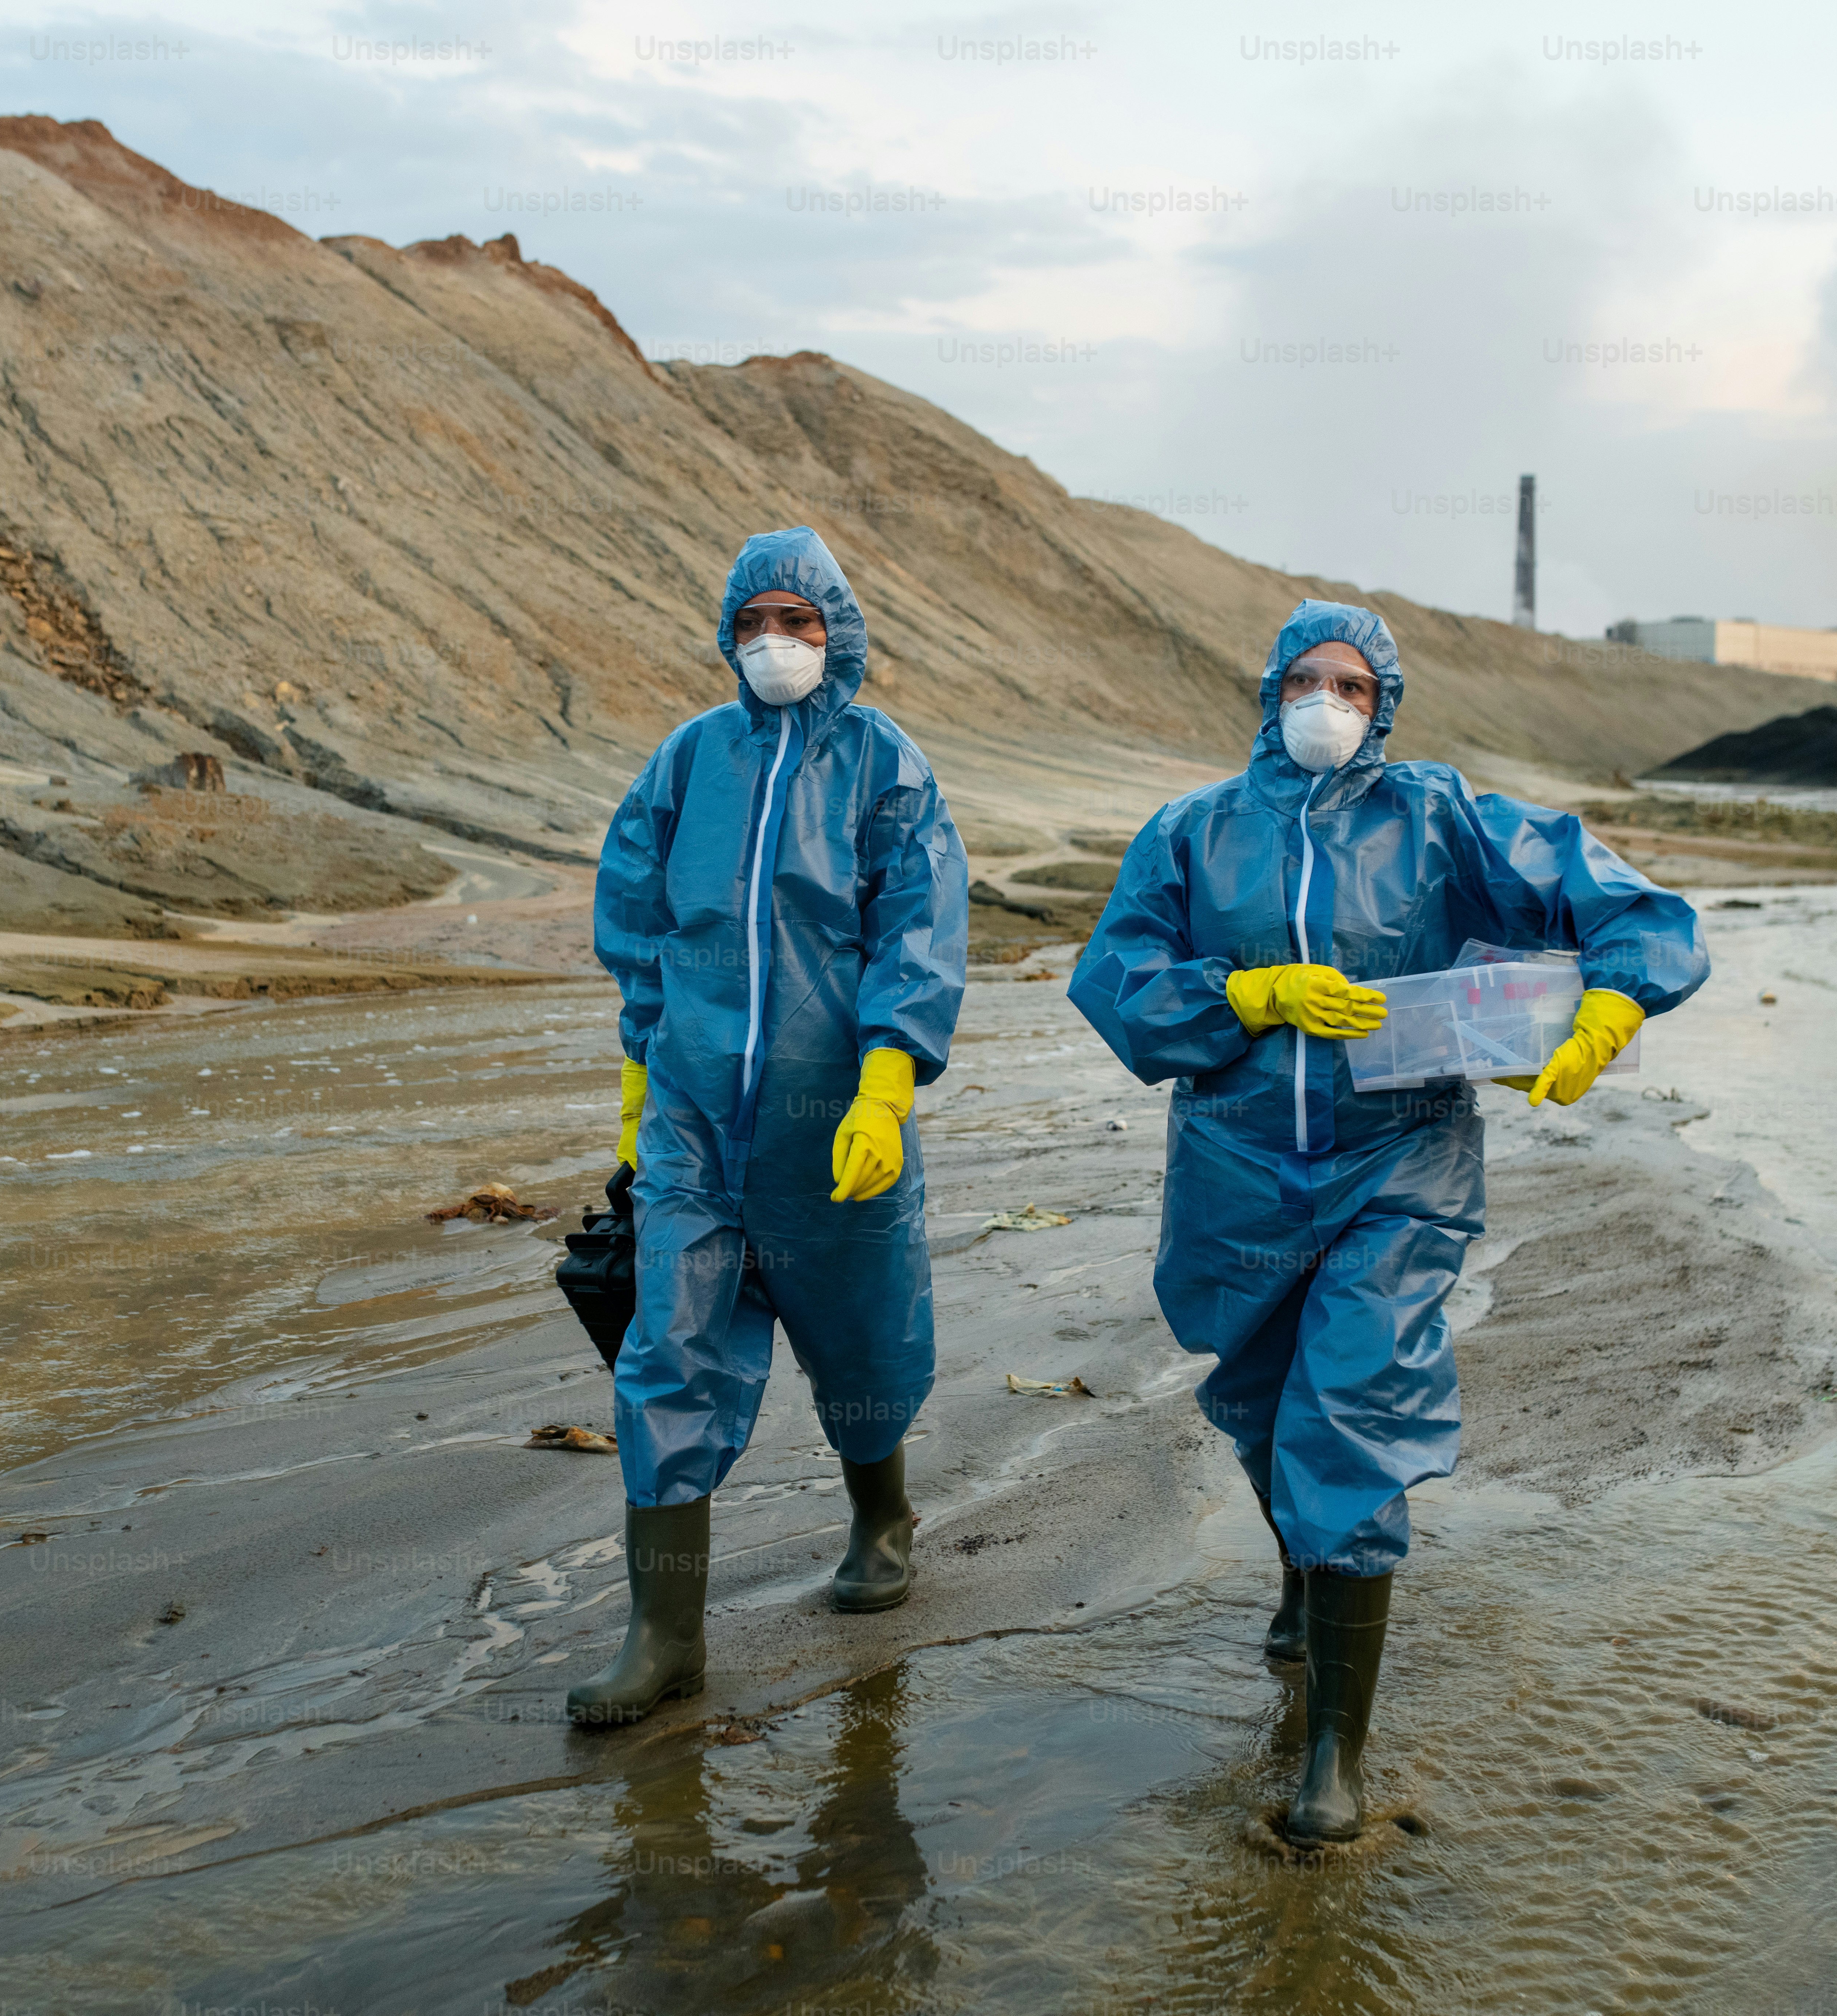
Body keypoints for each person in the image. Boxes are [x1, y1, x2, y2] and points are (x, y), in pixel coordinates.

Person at [1069, 598, 1707, 1846]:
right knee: (1256, 1403)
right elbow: (1117, 978)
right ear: (1270, 694)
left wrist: (1614, 1009)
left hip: (1398, 1163)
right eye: (1308, 680)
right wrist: (1241, 993)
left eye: (1355, 688)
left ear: (1386, 706)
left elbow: (1622, 901)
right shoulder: (1194, 833)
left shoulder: (1440, 818)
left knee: (1352, 1410)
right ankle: (1307, 1575)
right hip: (1234, 1163)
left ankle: (1332, 1760)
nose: (1329, 703)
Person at [572, 527, 969, 1725]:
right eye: (754, 623)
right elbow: (642, 923)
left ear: (838, 632)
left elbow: (916, 930)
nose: (775, 644)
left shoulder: (882, 766)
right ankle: (665, 1635)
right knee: (667, 1354)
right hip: (695, 1116)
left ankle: (882, 1517)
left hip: (835, 1111)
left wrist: (887, 1086)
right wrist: (645, 1081)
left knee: (855, 1333)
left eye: (798, 621)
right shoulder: (689, 763)